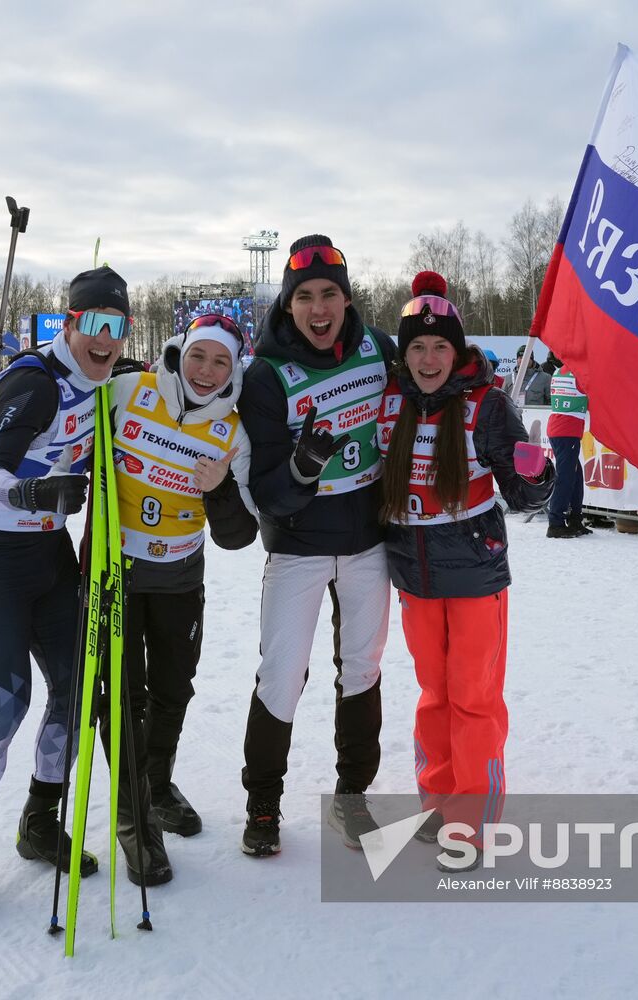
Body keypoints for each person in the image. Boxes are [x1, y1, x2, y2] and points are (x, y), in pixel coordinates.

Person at [0, 266, 131, 929]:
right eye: (94, 325)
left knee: (78, 692)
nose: (106, 341)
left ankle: (39, 821)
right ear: (70, 323)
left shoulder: (103, 380)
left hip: (49, 556)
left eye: (118, 326)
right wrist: (37, 492)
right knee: (4, 706)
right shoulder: (36, 383)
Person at [376, 271, 553, 866]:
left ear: (458, 351)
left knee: (474, 699)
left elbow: (526, 497)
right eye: (418, 347)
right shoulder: (390, 402)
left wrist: (536, 474)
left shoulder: (486, 404)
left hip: (475, 575)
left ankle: (471, 824)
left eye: (440, 347)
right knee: (434, 694)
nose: (429, 358)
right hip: (415, 577)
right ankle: (439, 800)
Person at [235, 235, 396, 857]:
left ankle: (352, 797)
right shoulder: (266, 375)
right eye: (305, 296)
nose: (319, 307)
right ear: (289, 303)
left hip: (365, 543)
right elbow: (267, 493)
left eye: (330, 293)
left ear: (347, 298)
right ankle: (263, 805)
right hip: (298, 548)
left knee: (362, 668)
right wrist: (303, 469)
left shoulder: (379, 349)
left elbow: (436, 373)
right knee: (281, 675)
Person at [102, 313, 258, 884]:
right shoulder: (128, 390)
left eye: (221, 361)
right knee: (122, 697)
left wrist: (218, 491)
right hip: (115, 571)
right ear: (179, 353)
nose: (207, 371)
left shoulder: (232, 432)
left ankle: (156, 782)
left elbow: (239, 536)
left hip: (179, 578)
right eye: (199, 356)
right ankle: (133, 819)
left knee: (172, 690)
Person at [545, 353, 590, 538]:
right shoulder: (579, 375)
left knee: (575, 475)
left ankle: (575, 519)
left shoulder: (559, 372)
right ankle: (555, 523)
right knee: (566, 477)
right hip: (568, 430)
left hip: (559, 429)